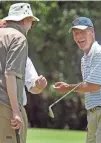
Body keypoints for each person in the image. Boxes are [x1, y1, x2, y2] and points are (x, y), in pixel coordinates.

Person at [53, 17, 101, 143]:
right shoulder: (85, 58)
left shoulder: (99, 52)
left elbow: (94, 86)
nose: (79, 36)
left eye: (82, 32)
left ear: (92, 32)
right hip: (94, 113)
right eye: (76, 33)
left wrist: (68, 88)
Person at [0, 3, 39, 143]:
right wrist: (16, 111)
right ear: (26, 20)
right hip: (5, 105)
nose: (31, 27)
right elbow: (10, 74)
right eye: (32, 24)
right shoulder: (18, 38)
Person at [0, 20, 47, 106]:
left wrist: (38, 85)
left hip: (14, 110)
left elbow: (33, 86)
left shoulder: (23, 57)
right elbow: (10, 75)